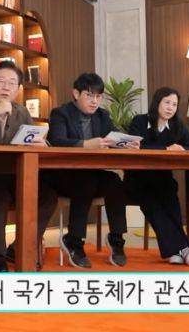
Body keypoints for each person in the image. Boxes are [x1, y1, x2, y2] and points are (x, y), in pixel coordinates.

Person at [0, 60, 58, 272]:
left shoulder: (21, 111)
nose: (6, 87)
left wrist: (43, 144)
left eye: (12, 83)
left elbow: (31, 137)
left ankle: (19, 248)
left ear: (18, 89)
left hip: (15, 175)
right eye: (1, 81)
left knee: (47, 196)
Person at [46, 72, 137, 268]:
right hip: (63, 176)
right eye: (89, 95)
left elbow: (112, 138)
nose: (95, 101)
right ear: (76, 94)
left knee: (114, 181)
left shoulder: (102, 116)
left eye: (99, 96)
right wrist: (85, 144)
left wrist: (126, 143)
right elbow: (56, 141)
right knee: (86, 180)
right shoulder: (60, 114)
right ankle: (74, 241)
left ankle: (116, 239)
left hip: (91, 175)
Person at [125, 87, 189, 265]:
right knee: (154, 204)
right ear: (157, 102)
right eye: (167, 102)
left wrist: (181, 149)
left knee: (171, 200)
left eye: (174, 104)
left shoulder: (177, 126)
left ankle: (176, 252)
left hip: (163, 179)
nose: (170, 108)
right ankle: (184, 249)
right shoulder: (139, 121)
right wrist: (167, 149)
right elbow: (135, 148)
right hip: (137, 179)